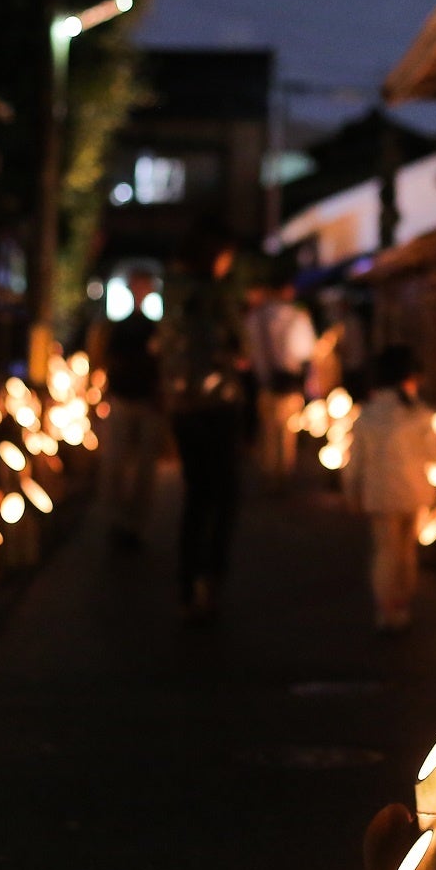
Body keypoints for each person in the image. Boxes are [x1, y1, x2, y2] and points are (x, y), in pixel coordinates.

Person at [156, 235, 248, 619]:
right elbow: (240, 347)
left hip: (183, 406)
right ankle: (211, 581)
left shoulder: (172, 295)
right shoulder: (217, 296)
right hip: (218, 405)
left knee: (196, 495)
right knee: (223, 495)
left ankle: (187, 586)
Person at [342, 345, 436, 633]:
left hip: (380, 494)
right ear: (410, 378)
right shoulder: (420, 415)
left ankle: (386, 609)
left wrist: (351, 491)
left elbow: (354, 461)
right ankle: (402, 604)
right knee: (407, 551)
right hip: (414, 492)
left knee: (385, 551)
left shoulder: (367, 416)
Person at [102, 268, 163, 551]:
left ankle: (135, 525)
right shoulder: (119, 328)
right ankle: (118, 521)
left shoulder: (154, 328)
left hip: (146, 400)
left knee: (144, 467)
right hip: (124, 397)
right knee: (117, 462)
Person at [245, 269, 316, 491]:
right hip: (289, 381)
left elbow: (250, 351)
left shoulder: (255, 318)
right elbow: (306, 351)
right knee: (287, 433)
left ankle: (269, 475)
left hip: (264, 383)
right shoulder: (297, 317)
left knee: (267, 431)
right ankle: (283, 475)